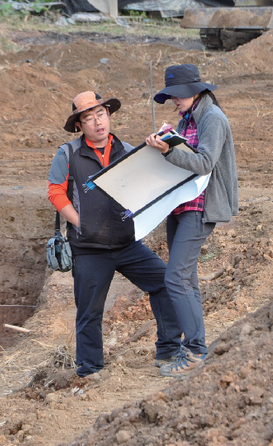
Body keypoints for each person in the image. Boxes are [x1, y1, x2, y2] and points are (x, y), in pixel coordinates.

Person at [48, 91, 182, 378]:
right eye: (89, 118)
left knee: (164, 282)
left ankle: (169, 350)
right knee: (90, 310)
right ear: (79, 125)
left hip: (127, 243)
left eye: (101, 115)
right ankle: (90, 369)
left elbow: (147, 184)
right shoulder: (68, 153)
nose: (97, 122)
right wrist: (79, 222)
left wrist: (162, 150)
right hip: (89, 248)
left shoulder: (128, 151)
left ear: (108, 116)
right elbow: (55, 191)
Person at [145, 64, 238, 377]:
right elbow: (185, 155)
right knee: (186, 279)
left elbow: (205, 162)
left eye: (176, 95)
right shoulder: (188, 119)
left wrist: (168, 149)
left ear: (194, 90)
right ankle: (197, 348)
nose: (173, 100)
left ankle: (195, 349)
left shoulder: (213, 118)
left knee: (175, 278)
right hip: (180, 206)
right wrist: (167, 141)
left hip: (200, 208)